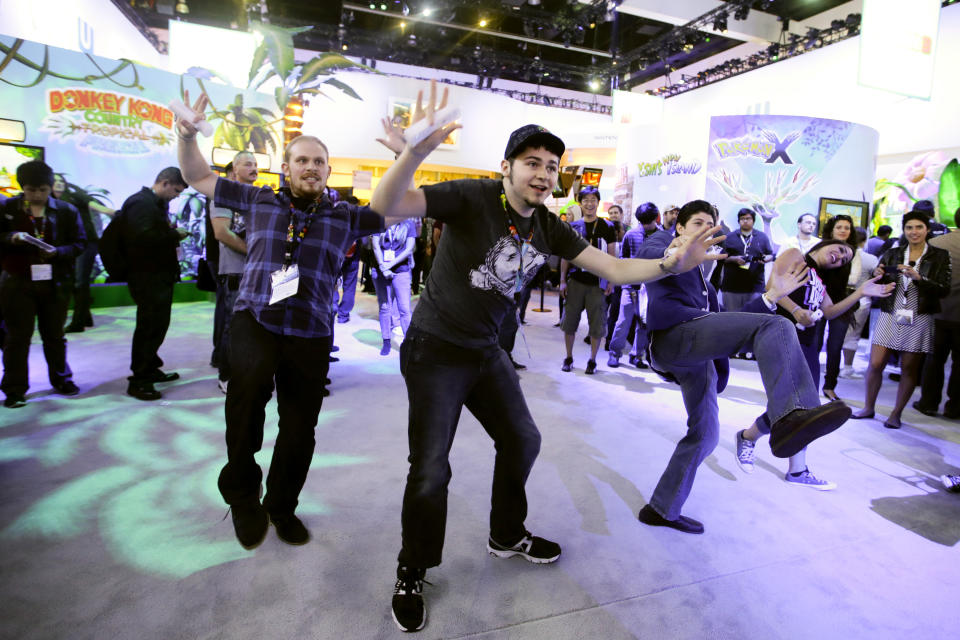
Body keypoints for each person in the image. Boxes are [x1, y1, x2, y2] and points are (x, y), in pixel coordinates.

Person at [370, 81, 727, 633]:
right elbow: (387, 205)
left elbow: (611, 268)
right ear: (507, 167)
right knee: (431, 469)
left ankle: (505, 533)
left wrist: (672, 266)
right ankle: (412, 568)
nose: (543, 173)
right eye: (532, 162)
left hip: (486, 350)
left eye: (552, 165)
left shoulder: (547, 225)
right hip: (435, 349)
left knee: (523, 438)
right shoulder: (469, 196)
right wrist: (413, 154)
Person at [175, 91, 390, 550]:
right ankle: (242, 494)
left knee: (299, 428)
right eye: (302, 160)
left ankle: (281, 506)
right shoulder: (257, 199)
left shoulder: (346, 217)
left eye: (319, 162)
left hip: (311, 330)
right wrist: (188, 134)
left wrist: (406, 154)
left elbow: (392, 209)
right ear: (286, 168)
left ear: (328, 172)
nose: (311, 167)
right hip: (257, 317)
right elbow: (196, 175)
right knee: (246, 398)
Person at [636, 200, 856, 534]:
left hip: (699, 356)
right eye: (696, 223)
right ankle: (792, 415)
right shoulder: (662, 245)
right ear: (679, 227)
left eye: (709, 224)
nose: (704, 229)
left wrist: (771, 297)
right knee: (779, 326)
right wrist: (673, 248)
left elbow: (725, 323)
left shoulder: (707, 287)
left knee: (706, 436)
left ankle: (662, 508)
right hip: (674, 339)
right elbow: (650, 252)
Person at [734, 239, 893, 490]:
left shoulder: (820, 279)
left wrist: (861, 293)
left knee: (805, 406)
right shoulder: (795, 255)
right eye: (840, 250)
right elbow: (772, 285)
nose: (839, 258)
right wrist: (796, 310)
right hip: (781, 334)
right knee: (793, 405)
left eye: (844, 259)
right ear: (824, 244)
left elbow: (829, 312)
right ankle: (791, 466)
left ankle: (750, 438)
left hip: (808, 344)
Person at [851, 211, 951, 429]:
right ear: (903, 230)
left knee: (909, 368)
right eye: (909, 228)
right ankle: (868, 407)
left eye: (918, 227)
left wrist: (919, 278)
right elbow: (876, 280)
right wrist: (878, 274)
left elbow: (944, 289)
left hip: (920, 314)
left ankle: (896, 414)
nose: (913, 232)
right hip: (891, 311)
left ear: (927, 230)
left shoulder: (939, 256)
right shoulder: (893, 252)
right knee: (876, 363)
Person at [0, 161, 85, 408]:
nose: (37, 195)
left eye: (43, 190)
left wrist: (58, 252)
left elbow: (80, 243)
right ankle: (15, 389)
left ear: (50, 188)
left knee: (55, 336)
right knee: (16, 338)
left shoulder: (67, 211)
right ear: (22, 187)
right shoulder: (7, 208)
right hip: (17, 282)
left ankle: (61, 379)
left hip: (54, 282)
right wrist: (11, 237)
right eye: (31, 189)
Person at [119, 167, 190, 401]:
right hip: (147, 276)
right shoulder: (141, 203)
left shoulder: (153, 204)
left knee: (158, 325)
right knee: (149, 327)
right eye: (176, 191)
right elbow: (141, 240)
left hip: (158, 275)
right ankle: (139, 379)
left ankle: (149, 367)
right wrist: (174, 235)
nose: (176, 196)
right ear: (165, 183)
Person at [210, 152, 257, 393]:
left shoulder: (259, 199)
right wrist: (254, 253)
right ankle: (226, 375)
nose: (254, 168)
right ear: (234, 170)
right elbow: (222, 233)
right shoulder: (224, 198)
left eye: (255, 164)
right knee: (234, 326)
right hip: (236, 272)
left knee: (256, 327)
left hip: (260, 274)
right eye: (248, 163)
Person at [559, 186, 617, 374]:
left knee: (597, 324)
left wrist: (611, 281)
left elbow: (611, 257)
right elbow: (565, 256)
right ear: (580, 203)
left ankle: (592, 360)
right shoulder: (574, 227)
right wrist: (562, 280)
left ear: (598, 203)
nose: (590, 204)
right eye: (586, 200)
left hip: (597, 283)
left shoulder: (607, 227)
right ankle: (568, 357)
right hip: (576, 280)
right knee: (570, 322)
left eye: (593, 200)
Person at [53, 173, 115, 333]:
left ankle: (78, 323)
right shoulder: (51, 203)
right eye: (55, 181)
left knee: (80, 281)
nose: (59, 183)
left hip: (86, 242)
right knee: (76, 281)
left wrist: (114, 212)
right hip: (69, 246)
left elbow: (94, 205)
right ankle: (86, 317)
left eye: (61, 181)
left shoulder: (74, 195)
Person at [913, 218, 960, 418]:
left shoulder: (937, 244)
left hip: (937, 311)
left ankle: (928, 403)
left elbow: (923, 279)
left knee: (933, 359)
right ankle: (955, 407)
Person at [607, 202, 660, 369]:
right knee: (623, 322)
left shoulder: (662, 236)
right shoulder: (631, 235)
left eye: (648, 222)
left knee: (644, 324)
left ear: (655, 218)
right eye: (643, 222)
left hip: (650, 287)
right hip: (630, 286)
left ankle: (637, 355)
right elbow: (623, 258)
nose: (646, 226)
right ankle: (614, 353)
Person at [719, 207, 774, 359]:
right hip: (732, 285)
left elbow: (770, 254)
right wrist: (733, 259)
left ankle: (748, 350)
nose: (745, 221)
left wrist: (767, 258)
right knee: (732, 318)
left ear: (753, 221)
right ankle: (731, 349)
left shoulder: (762, 237)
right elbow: (721, 256)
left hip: (755, 284)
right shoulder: (729, 237)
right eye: (742, 218)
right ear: (738, 221)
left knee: (753, 318)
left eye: (748, 218)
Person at [819, 215, 860, 400]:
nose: (844, 230)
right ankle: (808, 381)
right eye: (840, 227)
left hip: (842, 303)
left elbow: (855, 279)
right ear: (832, 230)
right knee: (814, 344)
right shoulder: (821, 249)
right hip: (818, 301)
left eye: (847, 228)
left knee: (835, 346)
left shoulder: (854, 253)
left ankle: (829, 386)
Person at [371, 217, 417, 355]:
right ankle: (386, 341)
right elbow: (375, 245)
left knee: (404, 309)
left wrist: (389, 265)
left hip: (401, 270)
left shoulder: (409, 224)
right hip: (380, 269)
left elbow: (409, 249)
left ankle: (408, 344)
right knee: (385, 307)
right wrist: (382, 267)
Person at [839, 227, 880, 379]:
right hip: (861, 300)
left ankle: (834, 365)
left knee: (837, 333)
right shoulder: (871, 259)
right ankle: (847, 367)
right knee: (853, 335)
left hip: (839, 299)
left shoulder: (840, 254)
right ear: (864, 241)